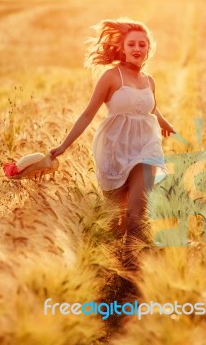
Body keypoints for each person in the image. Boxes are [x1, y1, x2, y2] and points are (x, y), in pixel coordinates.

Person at [50, 18, 175, 248]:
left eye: (142, 44)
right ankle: (115, 264)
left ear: (149, 49)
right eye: (132, 44)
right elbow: (88, 115)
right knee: (115, 220)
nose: (137, 48)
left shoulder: (149, 81)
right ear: (122, 48)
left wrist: (165, 124)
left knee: (136, 214)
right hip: (114, 150)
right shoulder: (111, 77)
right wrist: (63, 146)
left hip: (147, 148)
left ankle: (138, 268)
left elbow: (151, 108)